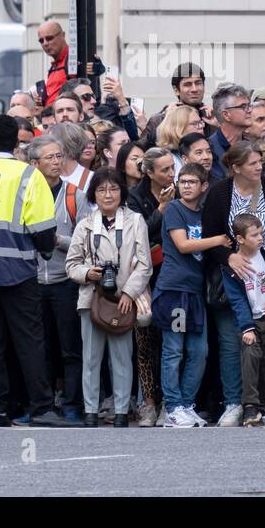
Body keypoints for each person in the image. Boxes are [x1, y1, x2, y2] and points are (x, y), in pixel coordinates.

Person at [0, 114, 65, 427]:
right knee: (29, 340)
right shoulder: (28, 176)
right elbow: (43, 228)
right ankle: (41, 407)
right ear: (18, 141)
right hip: (19, 268)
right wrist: (43, 250)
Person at [201, 140, 265, 427]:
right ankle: (233, 403)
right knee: (233, 343)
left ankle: (261, 405)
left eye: (259, 161)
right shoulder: (219, 193)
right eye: (252, 163)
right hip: (231, 278)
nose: (259, 167)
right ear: (235, 167)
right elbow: (210, 235)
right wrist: (229, 257)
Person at [65, 166, 152, 427]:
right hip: (91, 299)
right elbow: (71, 265)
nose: (108, 194)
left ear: (122, 192)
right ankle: (91, 410)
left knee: (122, 357)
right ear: (94, 194)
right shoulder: (85, 225)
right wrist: (87, 273)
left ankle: (122, 411)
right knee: (91, 357)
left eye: (114, 188)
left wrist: (129, 292)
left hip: (123, 300)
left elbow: (144, 264)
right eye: (101, 189)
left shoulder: (135, 221)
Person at [155, 163, 227, 427]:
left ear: (203, 186)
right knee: (173, 350)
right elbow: (184, 245)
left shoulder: (205, 214)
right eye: (182, 181)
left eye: (192, 182)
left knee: (199, 351)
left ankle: (186, 404)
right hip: (174, 290)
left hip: (196, 291)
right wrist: (219, 240)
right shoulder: (174, 209)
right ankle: (172, 407)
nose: (186, 186)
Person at [29, 135, 88, 425]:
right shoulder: (25, 192)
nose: (55, 162)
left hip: (66, 280)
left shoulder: (74, 195)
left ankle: (72, 404)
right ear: (34, 163)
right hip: (33, 281)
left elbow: (86, 238)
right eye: (49, 157)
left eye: (58, 156)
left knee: (70, 348)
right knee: (41, 347)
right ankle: (43, 403)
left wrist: (57, 240)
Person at [221, 212, 265, 427]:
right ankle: (250, 406)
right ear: (240, 239)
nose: (260, 238)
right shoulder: (233, 266)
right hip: (250, 322)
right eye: (254, 235)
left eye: (261, 233)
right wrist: (247, 327)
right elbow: (236, 300)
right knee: (250, 358)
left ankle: (264, 405)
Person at [126, 147, 175, 424]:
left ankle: (171, 399)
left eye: (172, 168)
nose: (171, 174)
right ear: (149, 172)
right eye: (165, 170)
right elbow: (139, 235)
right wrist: (161, 209)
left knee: (171, 340)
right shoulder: (134, 197)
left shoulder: (182, 188)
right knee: (144, 340)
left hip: (173, 275)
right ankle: (148, 402)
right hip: (144, 275)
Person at [209, 84, 251, 182]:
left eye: (249, 105)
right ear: (226, 115)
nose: (249, 110)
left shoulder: (252, 147)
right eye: (243, 106)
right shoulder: (208, 149)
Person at [37, 21, 71, 107]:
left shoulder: (74, 60)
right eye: (41, 41)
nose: (45, 43)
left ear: (63, 35)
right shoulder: (54, 66)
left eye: (49, 38)